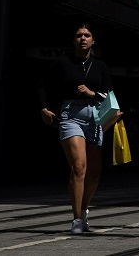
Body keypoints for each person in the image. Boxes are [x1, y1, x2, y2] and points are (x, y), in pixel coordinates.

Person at [38, 23, 115, 235]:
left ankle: (84, 208)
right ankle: (77, 219)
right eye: (79, 35)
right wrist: (44, 108)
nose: (83, 38)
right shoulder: (63, 63)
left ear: (93, 40)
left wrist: (92, 93)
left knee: (95, 173)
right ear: (74, 41)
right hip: (71, 115)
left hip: (95, 116)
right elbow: (43, 84)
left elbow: (110, 95)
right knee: (79, 167)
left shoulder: (100, 66)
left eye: (87, 35)